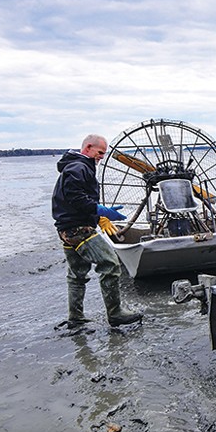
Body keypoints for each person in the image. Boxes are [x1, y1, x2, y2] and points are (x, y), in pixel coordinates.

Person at [52, 134, 144, 327]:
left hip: (66, 229)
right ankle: (115, 313)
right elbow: (76, 198)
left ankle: (75, 318)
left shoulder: (74, 166)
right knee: (110, 264)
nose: (102, 157)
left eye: (104, 153)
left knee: (76, 274)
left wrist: (98, 216)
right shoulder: (79, 167)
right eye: (100, 152)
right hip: (78, 229)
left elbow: (75, 198)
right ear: (88, 148)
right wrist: (100, 211)